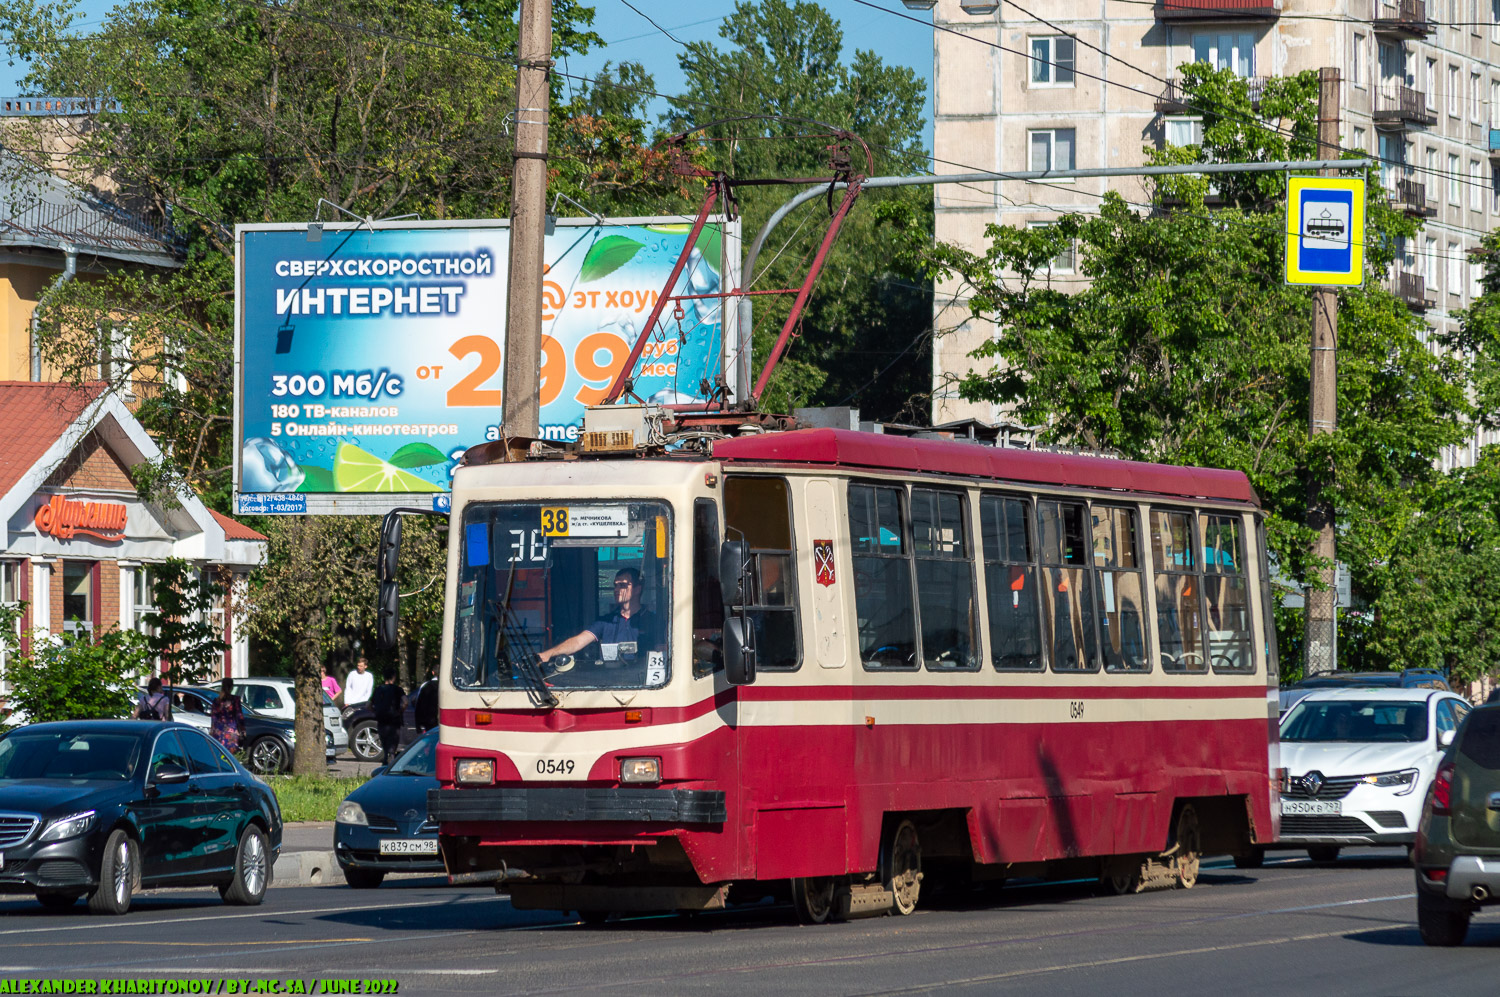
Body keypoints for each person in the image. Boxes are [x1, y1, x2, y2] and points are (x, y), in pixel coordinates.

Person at [537, 568, 662, 668]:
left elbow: (663, 650)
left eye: (623, 585)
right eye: (615, 585)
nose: (617, 590)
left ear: (637, 589)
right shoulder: (605, 621)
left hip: (643, 683)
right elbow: (577, 642)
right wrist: (546, 655)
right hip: (609, 682)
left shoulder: (653, 620)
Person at [369, 670, 406, 765]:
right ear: (394, 677)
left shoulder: (378, 689)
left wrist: (375, 712)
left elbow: (368, 704)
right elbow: (405, 702)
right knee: (392, 746)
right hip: (394, 721)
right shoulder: (398, 689)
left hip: (381, 720)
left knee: (385, 745)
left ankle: (385, 762)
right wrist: (400, 711)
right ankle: (391, 763)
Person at [209, 677, 245, 755]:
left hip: (218, 731)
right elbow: (239, 716)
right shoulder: (235, 700)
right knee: (229, 756)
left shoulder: (217, 701)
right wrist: (242, 729)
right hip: (231, 731)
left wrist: (212, 730)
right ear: (232, 687)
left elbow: (214, 717)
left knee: (218, 754)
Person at [413, 666, 438, 732]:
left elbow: (419, 705)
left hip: (430, 722)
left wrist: (418, 725)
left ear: (433, 672)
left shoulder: (426, 686)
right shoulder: (450, 686)